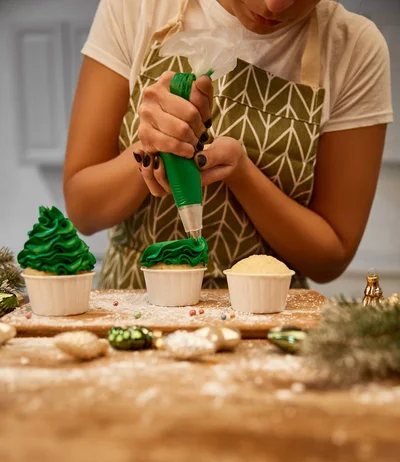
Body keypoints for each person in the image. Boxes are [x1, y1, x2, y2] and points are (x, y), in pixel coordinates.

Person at [63, 0, 393, 289]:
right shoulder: (138, 8)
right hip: (135, 306)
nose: (274, 5)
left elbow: (329, 259)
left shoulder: (353, 48)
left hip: (267, 321)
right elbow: (83, 211)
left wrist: (243, 175)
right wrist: (155, 142)